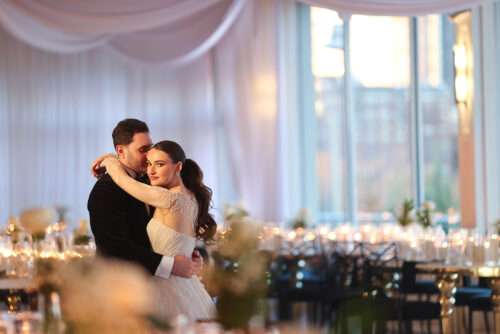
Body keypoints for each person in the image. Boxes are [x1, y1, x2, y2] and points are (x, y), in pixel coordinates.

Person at [93, 139, 217, 321]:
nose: (151, 170)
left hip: (166, 284)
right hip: (184, 283)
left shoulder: (168, 198)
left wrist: (110, 159)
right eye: (149, 163)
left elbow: (122, 180)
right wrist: (191, 257)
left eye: (159, 164)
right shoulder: (190, 195)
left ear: (178, 167)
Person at [87, 119, 202, 283]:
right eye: (143, 149)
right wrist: (170, 265)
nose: (150, 154)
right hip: (122, 287)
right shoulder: (105, 191)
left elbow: (169, 231)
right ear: (121, 151)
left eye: (150, 147)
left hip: (155, 285)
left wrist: (191, 257)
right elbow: (115, 248)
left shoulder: (153, 181)